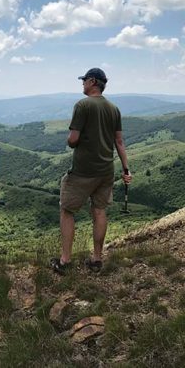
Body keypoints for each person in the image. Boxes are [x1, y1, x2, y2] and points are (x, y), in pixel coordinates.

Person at [50, 67, 132, 274]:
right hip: (106, 170)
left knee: (67, 210)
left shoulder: (82, 105)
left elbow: (73, 139)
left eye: (84, 80)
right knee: (99, 211)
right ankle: (97, 259)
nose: (82, 83)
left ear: (93, 81)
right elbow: (119, 142)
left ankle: (65, 261)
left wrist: (70, 142)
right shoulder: (114, 109)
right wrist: (126, 169)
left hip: (83, 171)